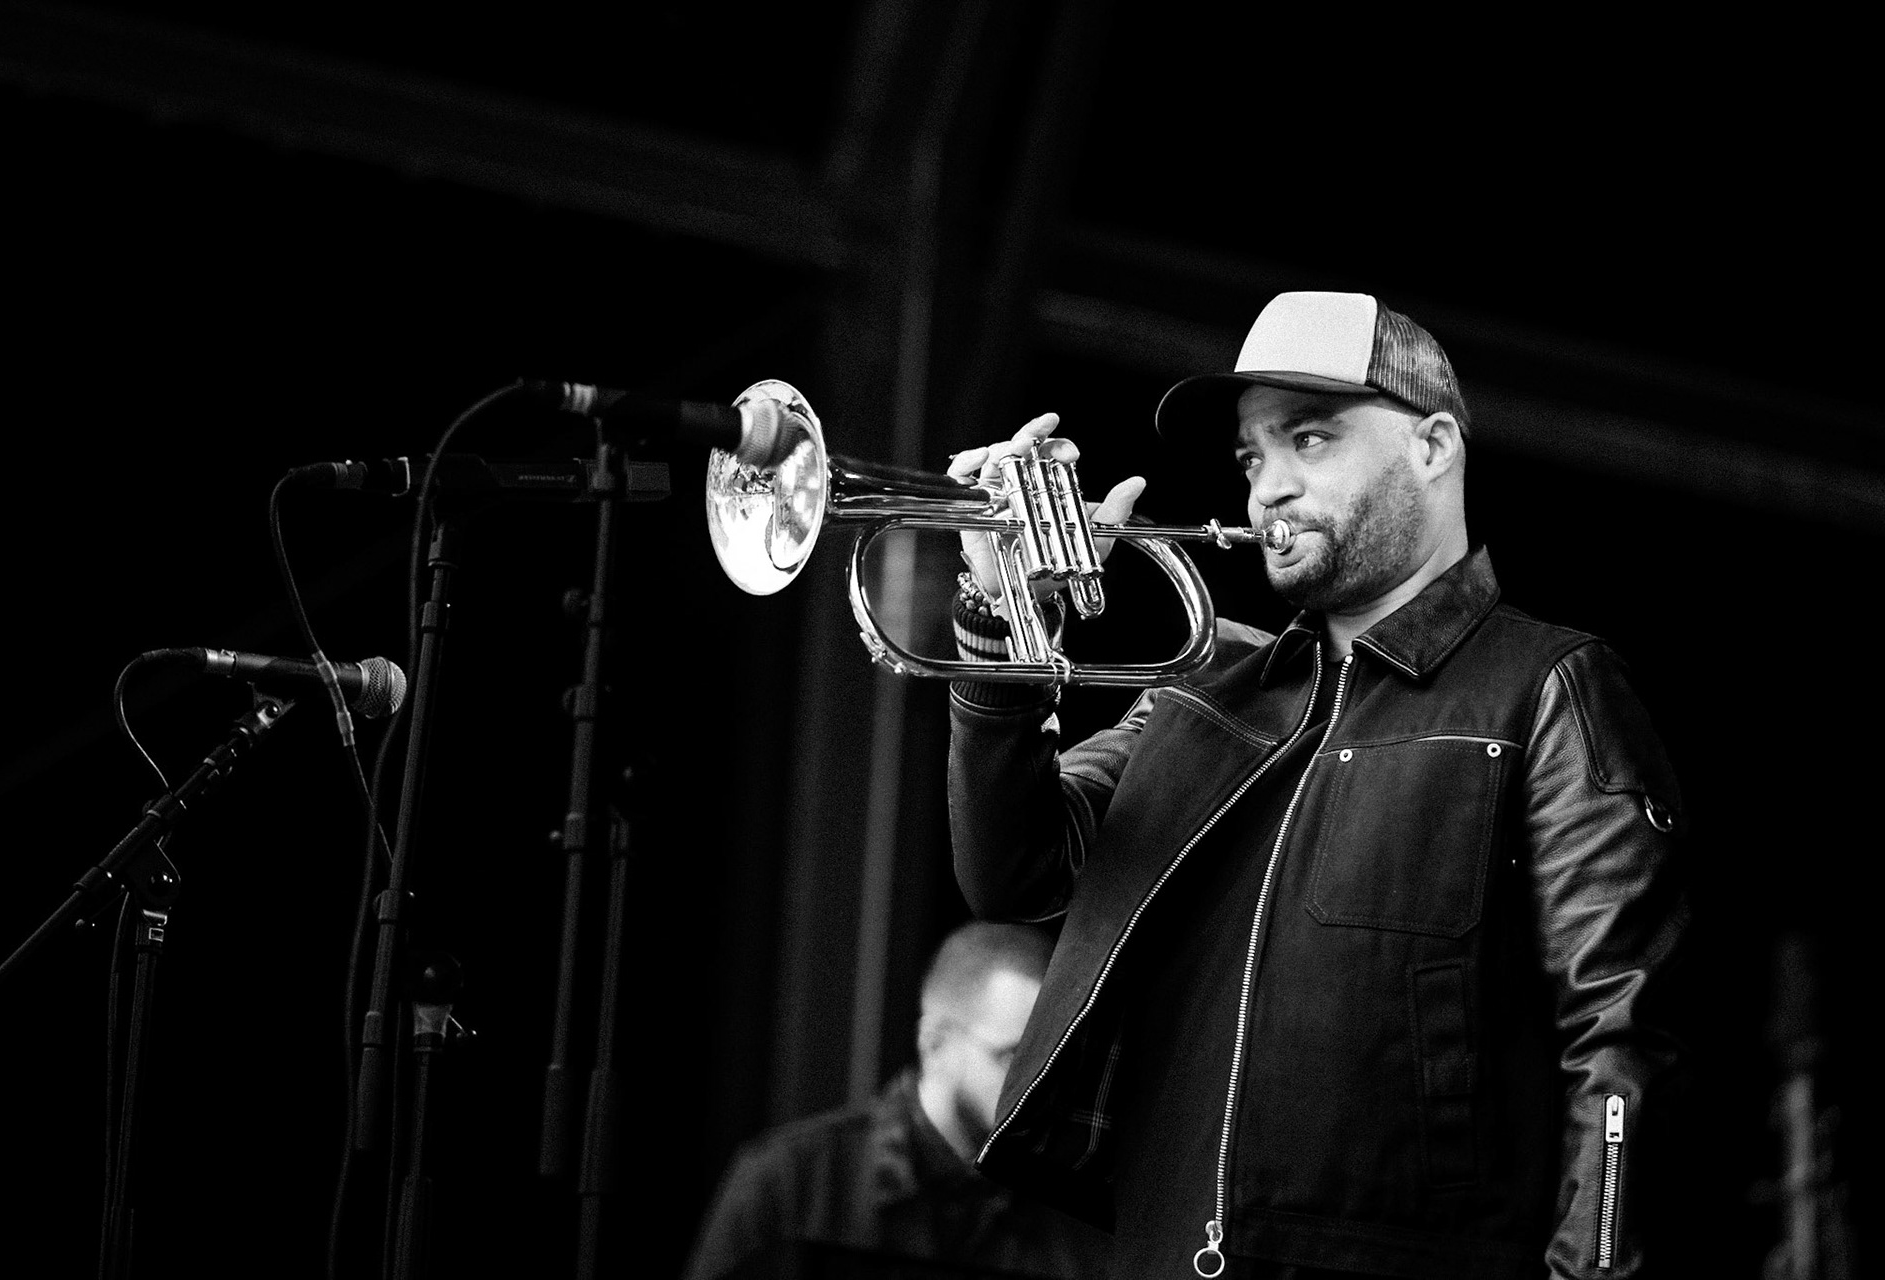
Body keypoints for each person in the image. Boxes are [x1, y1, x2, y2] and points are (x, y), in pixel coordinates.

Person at [943, 292, 1692, 1279]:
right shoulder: (1201, 689)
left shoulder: (1544, 687)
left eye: (1310, 438)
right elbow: (1015, 873)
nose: (1269, 489)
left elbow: (1619, 1041)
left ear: (1432, 444)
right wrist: (1001, 625)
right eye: (1254, 457)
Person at [682, 920, 1112, 1279]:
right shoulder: (791, 1182)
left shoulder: (1075, 1213)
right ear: (934, 1043)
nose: (1043, 1084)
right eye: (1014, 1056)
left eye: (1056, 1061)